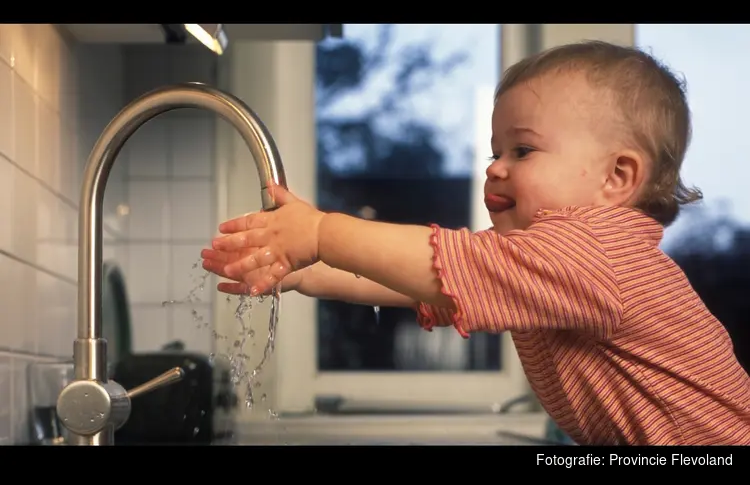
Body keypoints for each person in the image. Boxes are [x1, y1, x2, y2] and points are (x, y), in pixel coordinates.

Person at [201, 40, 750, 445]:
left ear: (617, 178)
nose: (496, 170)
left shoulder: (597, 252)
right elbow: (427, 284)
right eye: (495, 152)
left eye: (523, 152)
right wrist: (305, 272)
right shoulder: (544, 264)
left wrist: (320, 233)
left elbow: (444, 265)